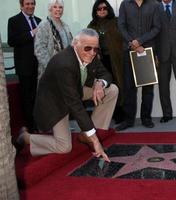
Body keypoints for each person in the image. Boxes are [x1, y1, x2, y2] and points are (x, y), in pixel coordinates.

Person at [16, 28, 119, 161]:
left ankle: (86, 134)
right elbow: (74, 103)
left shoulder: (91, 54)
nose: (92, 53)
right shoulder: (64, 63)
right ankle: (26, 138)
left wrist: (100, 83)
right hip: (56, 102)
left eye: (96, 49)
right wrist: (95, 141)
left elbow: (105, 74)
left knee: (111, 90)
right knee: (64, 147)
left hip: (75, 91)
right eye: (88, 48)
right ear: (75, 44)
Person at [116, 0, 161, 131]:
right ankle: (129, 120)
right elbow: (121, 25)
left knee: (148, 88)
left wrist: (140, 41)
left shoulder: (154, 5)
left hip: (147, 51)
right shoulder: (125, 4)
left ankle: (146, 119)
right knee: (129, 88)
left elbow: (157, 27)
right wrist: (132, 43)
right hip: (129, 51)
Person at [87, 0, 124, 124]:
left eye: (104, 8)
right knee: (106, 86)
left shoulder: (116, 22)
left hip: (117, 60)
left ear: (108, 9)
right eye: (99, 9)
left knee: (119, 85)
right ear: (95, 11)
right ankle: (108, 114)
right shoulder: (92, 25)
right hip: (100, 62)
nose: (102, 11)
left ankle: (120, 115)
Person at [7, 0, 41, 133]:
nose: (30, 6)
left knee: (39, 96)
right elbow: (12, 41)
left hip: (39, 66)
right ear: (21, 5)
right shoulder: (14, 20)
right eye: (27, 4)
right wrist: (32, 33)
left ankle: (40, 124)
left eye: (32, 4)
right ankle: (31, 128)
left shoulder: (40, 20)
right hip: (24, 66)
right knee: (27, 98)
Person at [34, 0, 73, 80]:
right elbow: (39, 50)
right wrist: (52, 67)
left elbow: (70, 46)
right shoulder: (44, 25)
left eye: (60, 7)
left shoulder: (65, 26)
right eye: (55, 7)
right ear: (50, 9)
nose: (58, 9)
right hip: (50, 71)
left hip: (65, 68)